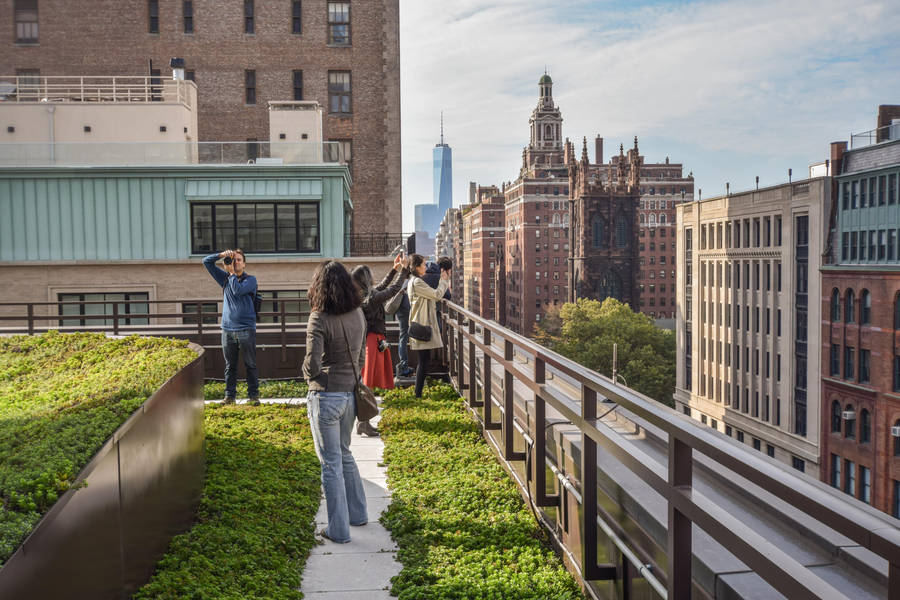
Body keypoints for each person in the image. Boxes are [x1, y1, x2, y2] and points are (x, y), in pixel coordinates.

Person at [302, 260, 368, 544]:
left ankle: (338, 530)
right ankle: (359, 514)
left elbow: (312, 364)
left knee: (330, 464)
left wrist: (308, 375)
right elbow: (361, 357)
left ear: (319, 286)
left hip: (326, 397)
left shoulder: (318, 317)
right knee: (344, 453)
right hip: (351, 395)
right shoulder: (358, 314)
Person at [351, 253, 410, 436]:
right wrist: (405, 270)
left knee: (368, 382)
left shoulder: (366, 295)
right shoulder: (369, 299)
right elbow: (391, 291)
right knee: (367, 383)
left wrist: (394, 269)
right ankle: (363, 422)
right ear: (366, 279)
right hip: (371, 341)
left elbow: (383, 287)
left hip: (374, 340)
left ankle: (364, 422)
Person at [203, 248, 259, 405]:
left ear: (245, 264)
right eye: (233, 259)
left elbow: (237, 290)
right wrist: (221, 255)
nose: (235, 262)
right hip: (227, 330)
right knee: (230, 366)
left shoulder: (251, 280)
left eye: (238, 260)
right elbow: (206, 261)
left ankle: (253, 396)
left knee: (250, 364)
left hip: (246, 329)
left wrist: (231, 273)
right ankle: (229, 397)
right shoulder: (225, 278)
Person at [407, 253, 450, 398]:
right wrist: (444, 281)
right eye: (423, 264)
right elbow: (437, 295)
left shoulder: (413, 281)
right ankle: (417, 394)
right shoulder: (417, 283)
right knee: (423, 362)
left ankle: (418, 393)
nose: (426, 267)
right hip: (422, 325)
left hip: (419, 324)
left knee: (424, 361)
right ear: (417, 267)